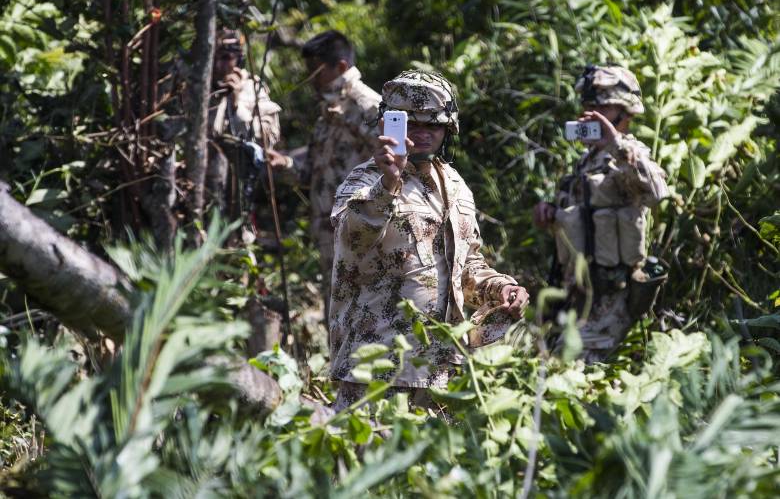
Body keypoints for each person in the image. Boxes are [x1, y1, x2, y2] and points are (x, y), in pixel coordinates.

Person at [328, 70, 529, 411]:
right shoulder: (365, 179)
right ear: (389, 124)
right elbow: (352, 240)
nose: (422, 133)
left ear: (448, 129)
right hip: (378, 366)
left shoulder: (455, 185)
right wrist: (387, 185)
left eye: (432, 125)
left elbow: (467, 264)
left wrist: (501, 288)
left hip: (442, 368)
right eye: (410, 123)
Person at [532, 65, 669, 363]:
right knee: (546, 360)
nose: (591, 114)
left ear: (625, 111)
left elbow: (657, 192)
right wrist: (553, 213)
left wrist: (615, 144)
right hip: (577, 290)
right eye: (587, 106)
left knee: (568, 368)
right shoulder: (588, 160)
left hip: (611, 294)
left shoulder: (629, 153)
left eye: (602, 108)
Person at [266, 30, 380, 325]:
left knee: (366, 314)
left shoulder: (367, 105)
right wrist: (285, 164)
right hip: (330, 233)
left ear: (340, 67)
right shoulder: (328, 113)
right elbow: (316, 174)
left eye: (315, 71)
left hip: (362, 232)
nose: (310, 79)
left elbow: (396, 166)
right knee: (337, 313)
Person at [204, 28, 282, 224]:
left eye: (226, 57)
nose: (219, 65)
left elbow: (267, 139)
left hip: (240, 191)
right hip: (201, 188)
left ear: (238, 59)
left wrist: (236, 103)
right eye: (214, 57)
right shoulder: (197, 88)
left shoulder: (253, 88)